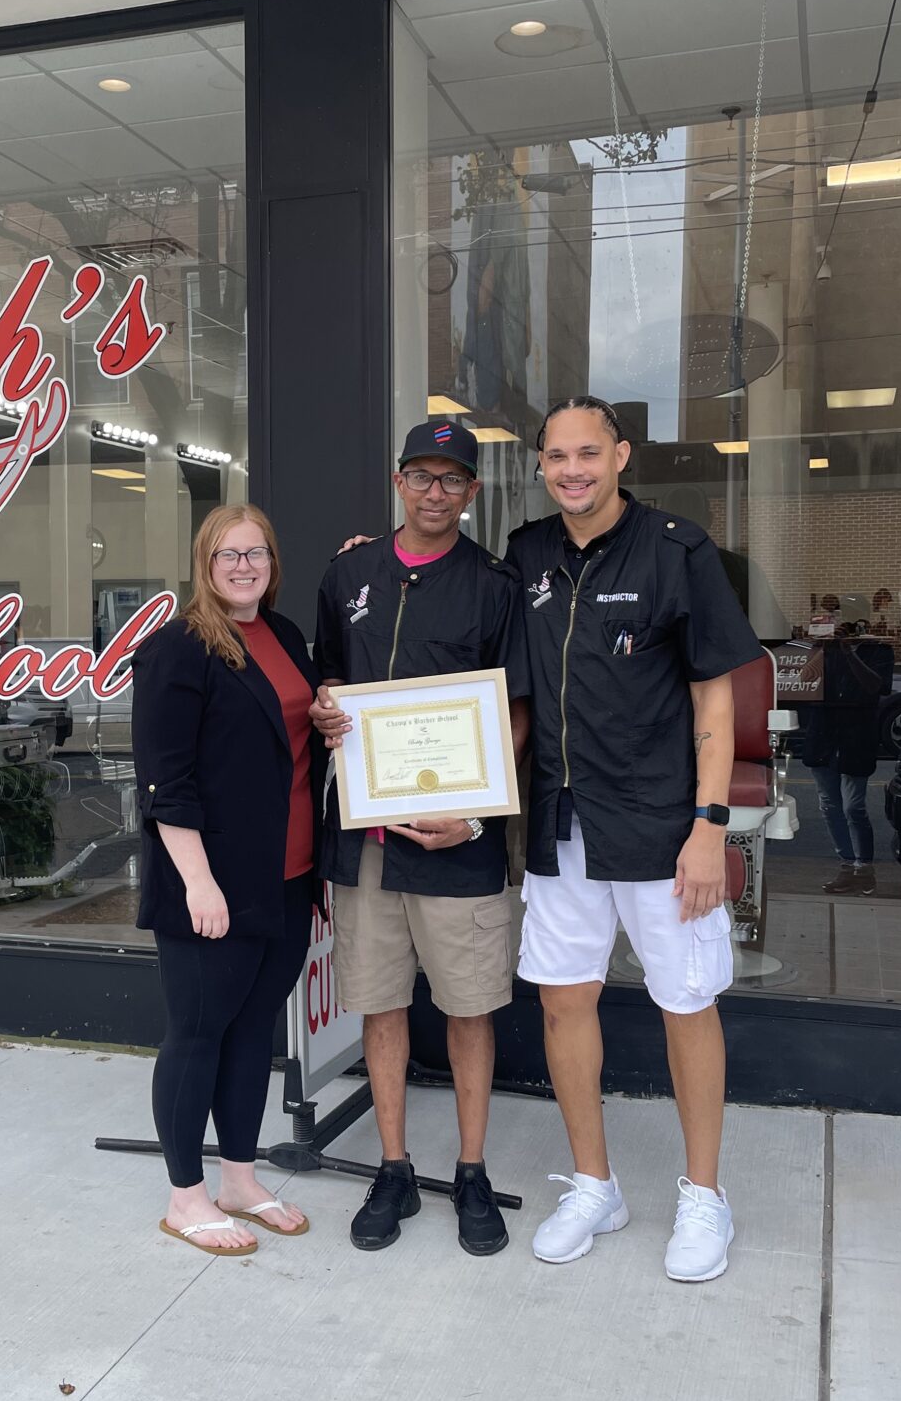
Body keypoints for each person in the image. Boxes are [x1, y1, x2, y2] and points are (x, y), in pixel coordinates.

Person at [507, 398, 763, 1284]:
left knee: (686, 1004)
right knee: (562, 1002)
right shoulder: (529, 553)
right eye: (556, 456)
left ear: (620, 455)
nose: (572, 469)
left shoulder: (676, 549)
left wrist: (709, 824)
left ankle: (704, 1196)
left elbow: (714, 701)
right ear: (539, 465)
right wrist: (372, 558)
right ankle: (594, 1184)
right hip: (561, 825)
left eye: (589, 453)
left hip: (661, 829)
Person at [310, 421, 531, 1257]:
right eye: (421, 475)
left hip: (461, 844)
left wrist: (474, 811)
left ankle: (471, 1170)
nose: (434, 491)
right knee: (381, 1004)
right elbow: (327, 678)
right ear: (397, 480)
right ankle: (394, 1167)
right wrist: (327, 705)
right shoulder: (349, 574)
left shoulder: (495, 587)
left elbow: (516, 712)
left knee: (471, 1010)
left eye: (452, 479)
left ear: (472, 492)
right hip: (369, 839)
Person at [132, 504, 324, 1255]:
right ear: (204, 565)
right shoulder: (177, 651)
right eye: (227, 555)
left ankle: (239, 1178)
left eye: (257, 554)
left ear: (273, 563)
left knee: (252, 1033)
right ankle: (186, 1195)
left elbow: (289, 736)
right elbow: (165, 784)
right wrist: (198, 885)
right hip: (210, 884)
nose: (244, 567)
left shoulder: (283, 637)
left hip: (288, 875)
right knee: (198, 1032)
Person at [796, 631, 893, 895]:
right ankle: (847, 865)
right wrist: (819, 650)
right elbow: (805, 679)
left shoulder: (879, 650)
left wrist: (850, 653)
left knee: (854, 807)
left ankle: (865, 867)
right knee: (829, 805)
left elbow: (877, 686)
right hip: (824, 733)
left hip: (856, 734)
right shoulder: (827, 650)